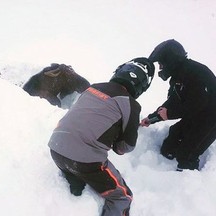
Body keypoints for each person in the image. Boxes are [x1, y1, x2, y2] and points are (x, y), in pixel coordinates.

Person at [48, 57, 155, 216]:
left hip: (56, 149)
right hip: (85, 162)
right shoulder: (131, 104)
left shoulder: (93, 88)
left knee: (76, 164)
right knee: (122, 197)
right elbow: (125, 147)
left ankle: (75, 179)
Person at [140, 39, 216, 171]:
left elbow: (199, 103)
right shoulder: (178, 76)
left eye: (161, 64)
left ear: (170, 61)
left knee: (186, 155)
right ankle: (165, 170)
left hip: (211, 119)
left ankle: (186, 184)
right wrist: (152, 118)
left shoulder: (196, 73)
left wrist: (169, 114)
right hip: (197, 115)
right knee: (170, 142)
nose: (160, 68)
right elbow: (173, 101)